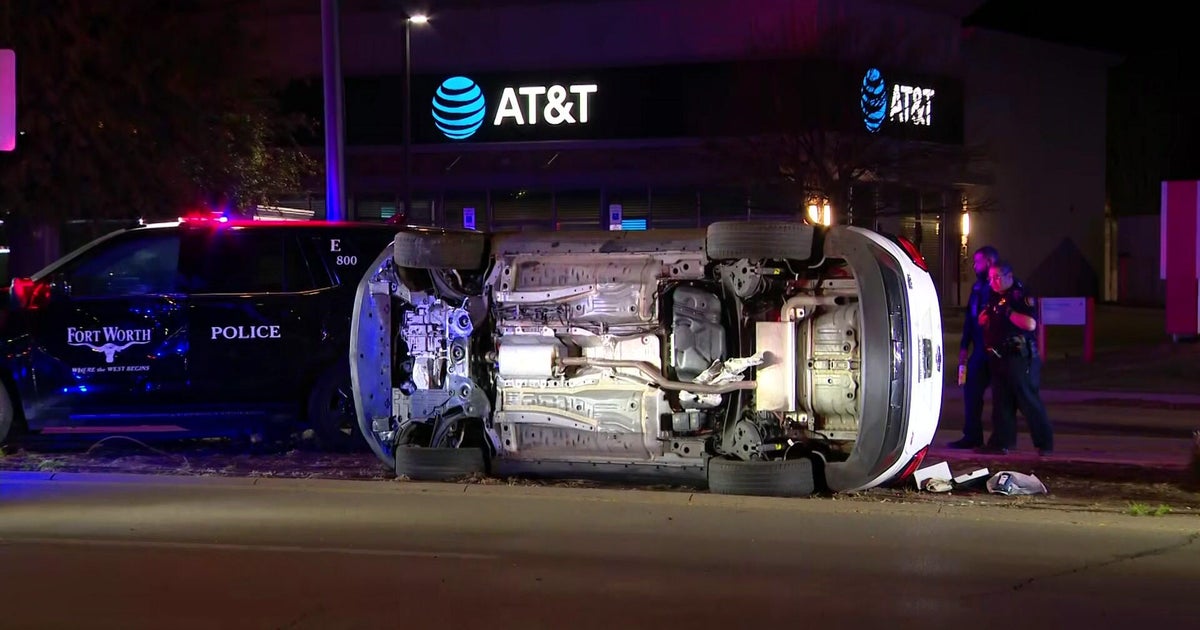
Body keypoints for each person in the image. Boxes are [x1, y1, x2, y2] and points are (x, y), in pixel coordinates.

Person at [976, 261, 1054, 456]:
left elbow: (1030, 324)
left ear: (1009, 276)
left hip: (1019, 357)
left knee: (1027, 399)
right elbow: (985, 318)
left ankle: (1044, 443)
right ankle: (1001, 442)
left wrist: (1009, 313)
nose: (992, 282)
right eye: (990, 278)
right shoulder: (994, 296)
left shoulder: (1020, 295)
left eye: (997, 277)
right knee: (1001, 401)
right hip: (999, 357)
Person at [948, 245, 1000, 449]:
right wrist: (963, 346)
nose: (974, 266)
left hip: (995, 351)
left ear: (988, 262)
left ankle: (1000, 439)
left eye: (977, 262)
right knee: (971, 393)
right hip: (978, 350)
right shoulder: (977, 288)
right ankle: (972, 435)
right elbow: (970, 319)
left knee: (1001, 397)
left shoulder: (997, 288)